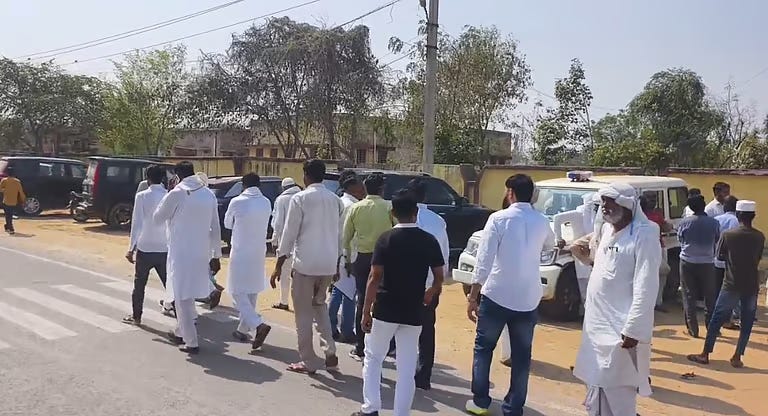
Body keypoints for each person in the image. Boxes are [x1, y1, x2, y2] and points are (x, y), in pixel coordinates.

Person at [465, 174, 556, 416]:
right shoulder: (541, 221)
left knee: (484, 348)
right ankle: (514, 408)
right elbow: (551, 245)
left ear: (510, 193)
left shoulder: (498, 219)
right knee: (522, 356)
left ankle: (480, 402)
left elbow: (484, 260)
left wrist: (473, 296)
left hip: (497, 294)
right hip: (528, 298)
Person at [353, 189, 445, 416]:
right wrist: (431, 291)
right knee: (406, 368)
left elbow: (374, 277)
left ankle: (370, 408)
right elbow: (439, 275)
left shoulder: (385, 239)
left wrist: (366, 311)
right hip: (413, 311)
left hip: (385, 308)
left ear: (393, 213)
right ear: (416, 212)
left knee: (373, 358)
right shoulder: (428, 240)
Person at [573, 182, 661, 416]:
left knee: (618, 389)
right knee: (596, 381)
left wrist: (634, 328)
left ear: (627, 204)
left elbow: (646, 284)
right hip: (596, 325)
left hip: (621, 331)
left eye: (610, 202)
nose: (605, 207)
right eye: (602, 202)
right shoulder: (605, 230)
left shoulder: (645, 233)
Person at [271, 159, 343, 374]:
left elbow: (289, 234)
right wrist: (337, 264)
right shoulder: (335, 200)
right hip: (328, 264)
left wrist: (279, 264)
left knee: (303, 314)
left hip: (305, 265)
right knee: (320, 306)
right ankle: (330, 351)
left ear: (306, 175)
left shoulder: (300, 198)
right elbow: (339, 236)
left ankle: (308, 360)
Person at [154, 161, 222, 354]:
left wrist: (169, 193)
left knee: (181, 295)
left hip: (181, 253)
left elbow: (157, 218)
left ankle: (191, 342)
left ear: (177, 176)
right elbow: (215, 226)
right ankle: (180, 331)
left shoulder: (178, 193)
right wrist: (216, 255)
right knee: (188, 293)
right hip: (201, 252)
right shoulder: (208, 194)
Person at [687, 200, 764, 369]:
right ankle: (737, 356)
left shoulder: (728, 235)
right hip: (751, 284)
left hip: (731, 283)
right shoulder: (759, 236)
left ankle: (705, 353)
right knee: (747, 321)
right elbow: (758, 257)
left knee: (717, 319)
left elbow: (719, 256)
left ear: (738, 215)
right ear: (753, 216)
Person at [343, 173, 394, 361]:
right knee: (386, 300)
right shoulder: (389, 207)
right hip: (387, 259)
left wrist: (348, 260)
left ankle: (360, 346)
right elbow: (398, 230)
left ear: (365, 188)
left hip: (362, 259)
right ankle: (387, 346)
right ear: (382, 189)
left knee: (363, 300)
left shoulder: (356, 208)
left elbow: (346, 238)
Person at [406, 178, 450, 390]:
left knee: (403, 329)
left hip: (405, 284)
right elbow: (444, 255)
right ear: (425, 196)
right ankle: (423, 376)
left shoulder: (403, 219)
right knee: (426, 331)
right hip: (430, 285)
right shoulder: (438, 221)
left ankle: (405, 374)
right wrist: (438, 284)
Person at [226, 173, 273, 351]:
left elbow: (227, 224)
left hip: (240, 251)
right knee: (252, 291)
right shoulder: (266, 202)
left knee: (236, 290)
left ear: (243, 185)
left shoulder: (237, 202)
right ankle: (242, 329)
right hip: (259, 251)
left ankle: (257, 324)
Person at [122, 165, 169, 326]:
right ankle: (184, 319)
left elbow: (137, 223)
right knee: (170, 285)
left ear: (147, 178)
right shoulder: (169, 196)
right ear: (162, 178)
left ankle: (137, 317)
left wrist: (131, 249)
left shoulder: (141, 196)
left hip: (145, 247)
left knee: (139, 284)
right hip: (164, 248)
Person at [678, 195, 720, 338]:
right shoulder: (714, 223)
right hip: (707, 262)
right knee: (710, 295)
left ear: (690, 208)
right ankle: (712, 327)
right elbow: (717, 239)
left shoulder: (684, 222)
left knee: (688, 294)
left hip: (687, 261)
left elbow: (680, 239)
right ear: (703, 205)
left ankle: (693, 329)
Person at [329, 172, 365, 343]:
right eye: (360, 187)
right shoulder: (353, 206)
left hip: (337, 253)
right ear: (353, 188)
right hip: (348, 255)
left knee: (338, 290)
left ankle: (330, 326)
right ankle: (347, 330)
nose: (363, 190)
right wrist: (349, 259)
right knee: (349, 294)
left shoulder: (339, 202)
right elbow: (351, 235)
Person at [553, 192, 599, 309]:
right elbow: (557, 218)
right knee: (584, 285)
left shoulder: (600, 217)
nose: (595, 208)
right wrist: (559, 238)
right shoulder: (578, 214)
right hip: (581, 254)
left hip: (596, 253)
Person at [270, 177, 302, 311]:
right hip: (302, 244)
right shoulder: (302, 197)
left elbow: (277, 223)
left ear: (284, 188)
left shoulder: (281, 200)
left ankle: (284, 302)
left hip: (286, 243)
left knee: (284, 274)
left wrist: (274, 240)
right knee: (300, 276)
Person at [639, 195, 673, 312]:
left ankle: (654, 301)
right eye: (651, 200)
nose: (653, 203)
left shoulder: (652, 215)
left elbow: (666, 227)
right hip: (654, 248)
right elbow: (666, 227)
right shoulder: (653, 217)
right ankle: (656, 302)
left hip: (655, 247)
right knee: (662, 272)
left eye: (654, 200)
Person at [714, 196, 742, 330]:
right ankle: (726, 319)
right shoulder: (735, 221)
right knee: (729, 292)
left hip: (715, 260)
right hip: (729, 262)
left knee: (718, 291)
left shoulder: (716, 219)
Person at [1, 166, 26, 235]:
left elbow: (0, 189)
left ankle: (9, 227)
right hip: (13, 201)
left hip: (6, 200)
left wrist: (5, 190)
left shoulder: (4, 180)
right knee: (10, 215)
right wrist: (23, 200)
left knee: (7, 215)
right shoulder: (17, 181)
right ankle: (9, 227)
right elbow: (21, 192)